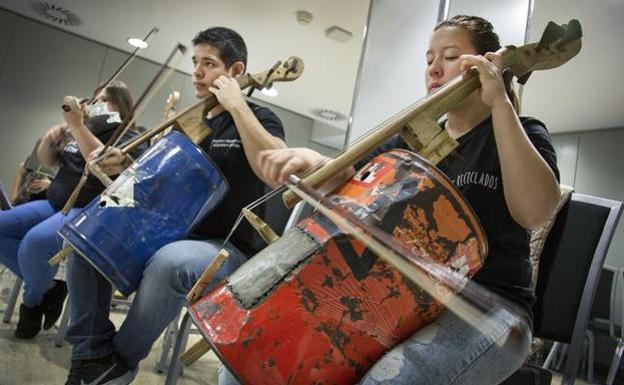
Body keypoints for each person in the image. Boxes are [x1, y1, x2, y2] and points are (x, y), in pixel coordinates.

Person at [224, 15, 561, 385]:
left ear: (485, 63)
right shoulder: (411, 140)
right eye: (429, 59)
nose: (433, 69)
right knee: (258, 353)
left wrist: (500, 103)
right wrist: (315, 162)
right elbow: (351, 177)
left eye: (449, 57)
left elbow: (534, 211)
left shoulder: (521, 130)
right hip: (400, 301)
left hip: (491, 308)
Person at [63, 26, 286, 385]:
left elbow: (274, 169)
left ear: (236, 71)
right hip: (169, 232)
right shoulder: (190, 124)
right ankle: (91, 355)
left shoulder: (259, 117)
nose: (196, 71)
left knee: (169, 264)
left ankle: (117, 364)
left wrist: (237, 105)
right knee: (84, 239)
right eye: (195, 62)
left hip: (227, 247)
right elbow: (152, 178)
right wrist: (124, 164)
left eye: (209, 63)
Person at [0, 80, 140, 340]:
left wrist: (76, 126)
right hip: (53, 202)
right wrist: (50, 141)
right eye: (94, 99)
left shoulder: (129, 135)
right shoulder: (83, 129)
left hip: (88, 211)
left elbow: (100, 163)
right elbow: (50, 161)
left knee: (33, 245)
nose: (95, 104)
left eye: (103, 100)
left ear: (120, 105)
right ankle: (51, 288)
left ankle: (31, 304)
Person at [9, 140, 55, 206]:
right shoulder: (36, 157)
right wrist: (13, 196)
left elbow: (66, 188)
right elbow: (21, 172)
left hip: (45, 203)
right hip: (25, 198)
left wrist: (50, 185)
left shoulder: (66, 163)